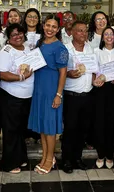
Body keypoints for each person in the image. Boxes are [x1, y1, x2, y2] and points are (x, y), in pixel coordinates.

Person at [28, 14, 69, 175]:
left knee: (50, 128)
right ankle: (45, 157)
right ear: (43, 25)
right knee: (43, 128)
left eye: (54, 27)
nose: (50, 29)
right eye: (47, 25)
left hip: (52, 90)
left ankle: (50, 158)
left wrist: (58, 94)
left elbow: (63, 73)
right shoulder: (40, 43)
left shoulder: (60, 47)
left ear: (58, 29)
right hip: (39, 89)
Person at [0, 24, 34, 174]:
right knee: (11, 130)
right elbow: (2, 73)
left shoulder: (27, 48)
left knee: (20, 129)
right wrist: (21, 77)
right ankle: (10, 163)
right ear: (8, 38)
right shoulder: (6, 52)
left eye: (20, 33)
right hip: (11, 96)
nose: (17, 37)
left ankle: (21, 157)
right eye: (13, 35)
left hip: (26, 96)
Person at [61, 21, 94, 174]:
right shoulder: (65, 48)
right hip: (71, 96)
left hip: (87, 95)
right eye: (80, 31)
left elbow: (95, 68)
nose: (83, 33)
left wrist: (98, 77)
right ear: (72, 32)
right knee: (70, 129)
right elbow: (58, 69)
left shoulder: (90, 48)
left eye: (85, 31)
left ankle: (77, 158)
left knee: (83, 129)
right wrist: (68, 73)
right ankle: (67, 159)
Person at [93, 27, 114, 169]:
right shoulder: (96, 52)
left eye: (111, 34)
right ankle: (100, 154)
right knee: (100, 123)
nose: (109, 36)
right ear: (102, 37)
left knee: (112, 123)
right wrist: (95, 80)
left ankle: (110, 155)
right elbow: (93, 70)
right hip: (100, 90)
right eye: (106, 34)